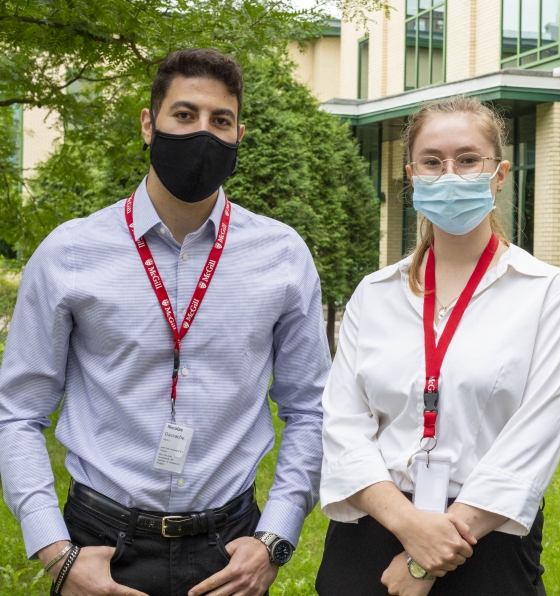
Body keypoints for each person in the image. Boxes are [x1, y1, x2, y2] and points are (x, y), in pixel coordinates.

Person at [0, 49, 330, 596]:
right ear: (149, 125)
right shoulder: (70, 252)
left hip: (228, 550)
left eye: (220, 121)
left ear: (239, 135)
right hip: (101, 543)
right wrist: (54, 551)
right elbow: (17, 414)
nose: (202, 132)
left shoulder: (283, 255)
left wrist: (275, 538)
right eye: (184, 115)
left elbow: (310, 409)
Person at [314, 96, 560, 596]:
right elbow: (343, 426)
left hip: (487, 543)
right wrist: (409, 527)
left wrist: (426, 561)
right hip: (370, 537)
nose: (450, 174)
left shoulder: (548, 293)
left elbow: (535, 438)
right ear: (412, 176)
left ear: (499, 174)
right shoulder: (374, 295)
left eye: (467, 159)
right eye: (432, 162)